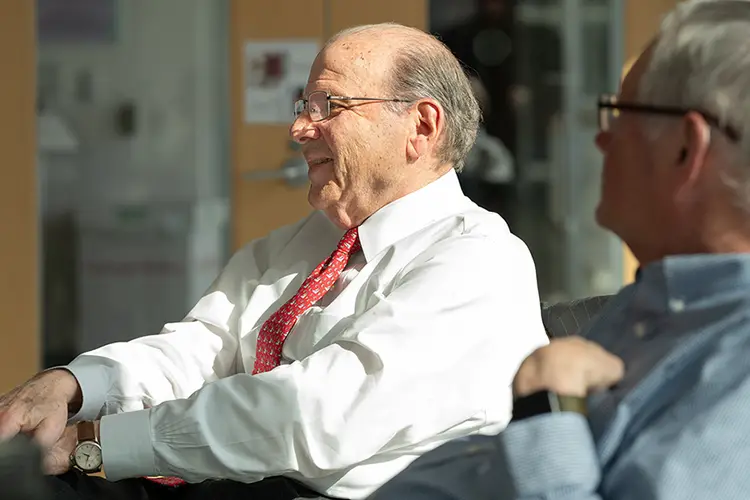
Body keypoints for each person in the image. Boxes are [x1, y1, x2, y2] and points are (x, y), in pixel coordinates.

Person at [0, 23, 548, 500]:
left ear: (422, 128)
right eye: (302, 106)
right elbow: (202, 348)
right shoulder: (303, 242)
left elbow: (309, 415)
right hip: (223, 482)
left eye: (328, 106)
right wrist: (73, 385)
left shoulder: (478, 262)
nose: (299, 129)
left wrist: (96, 445)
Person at [369, 1, 750, 498]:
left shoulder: (735, 368)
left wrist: (545, 403)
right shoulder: (662, 302)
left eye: (620, 113)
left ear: (685, 147)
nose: (601, 139)